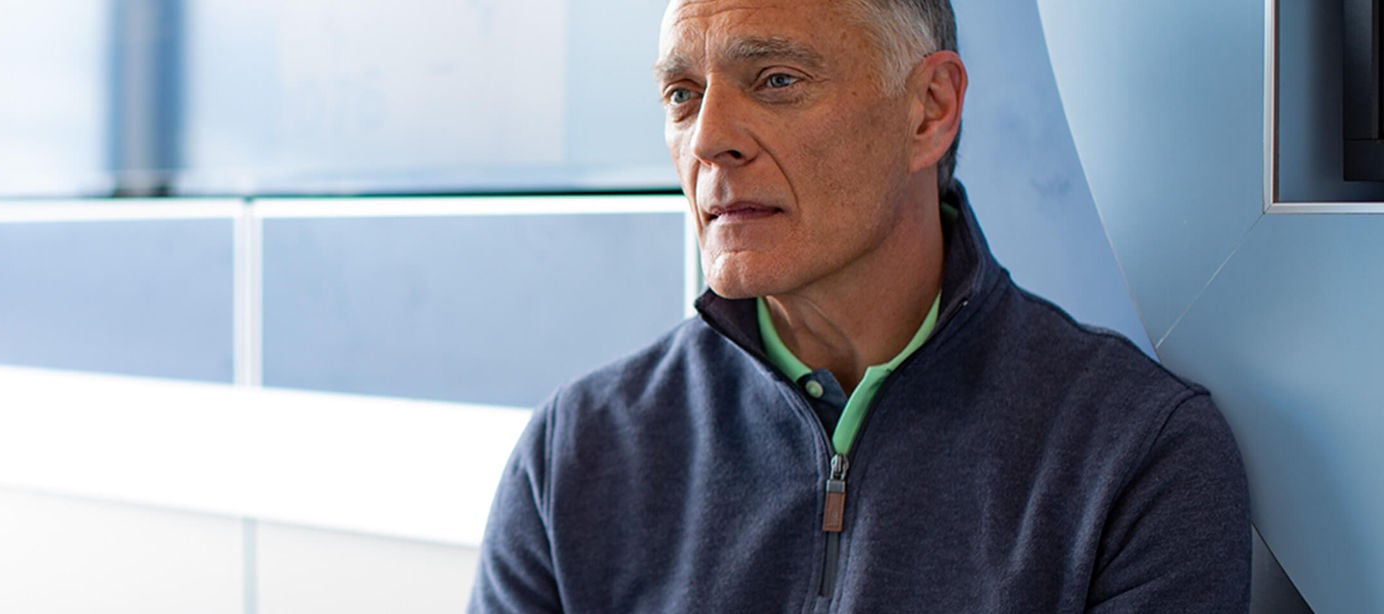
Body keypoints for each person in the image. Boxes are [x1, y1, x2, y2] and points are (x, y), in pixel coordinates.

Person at [467, 0, 1251, 611]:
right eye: (682, 94)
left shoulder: (1135, 454)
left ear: (929, 109)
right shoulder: (578, 456)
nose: (709, 141)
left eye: (776, 80)